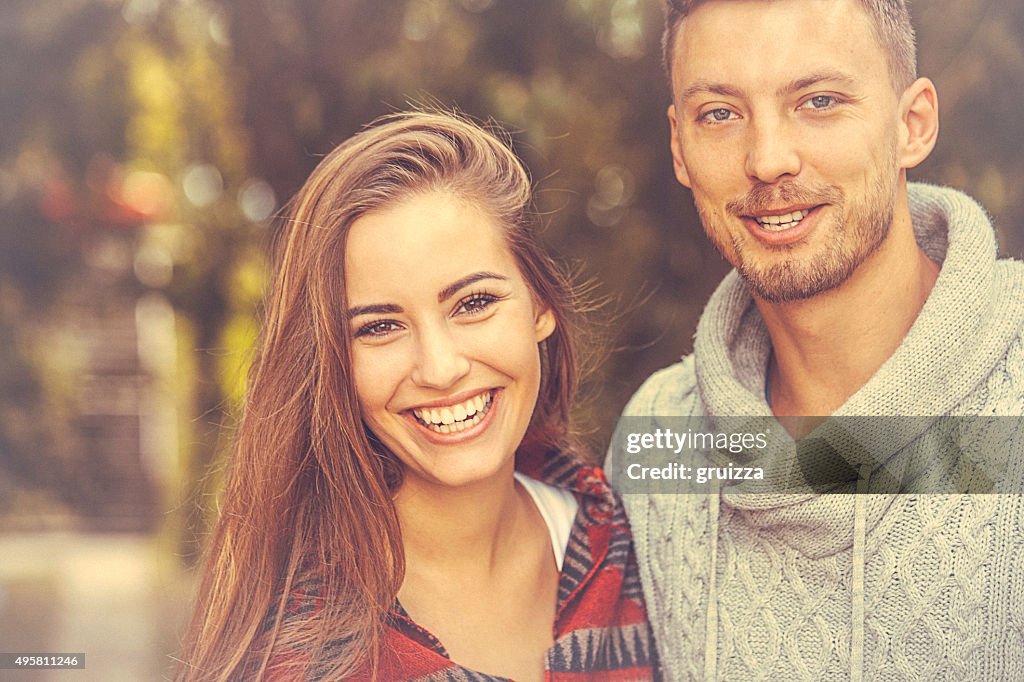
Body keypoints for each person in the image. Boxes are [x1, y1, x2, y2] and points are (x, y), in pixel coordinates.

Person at [616, 0, 1024, 680]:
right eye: (719, 113)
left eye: (819, 100)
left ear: (911, 124)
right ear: (679, 146)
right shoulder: (658, 441)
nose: (767, 160)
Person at [177, 112, 657, 681]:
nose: (440, 368)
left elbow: (791, 462)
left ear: (541, 305)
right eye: (379, 327)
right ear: (334, 364)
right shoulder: (301, 656)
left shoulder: (637, 525)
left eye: (474, 303)